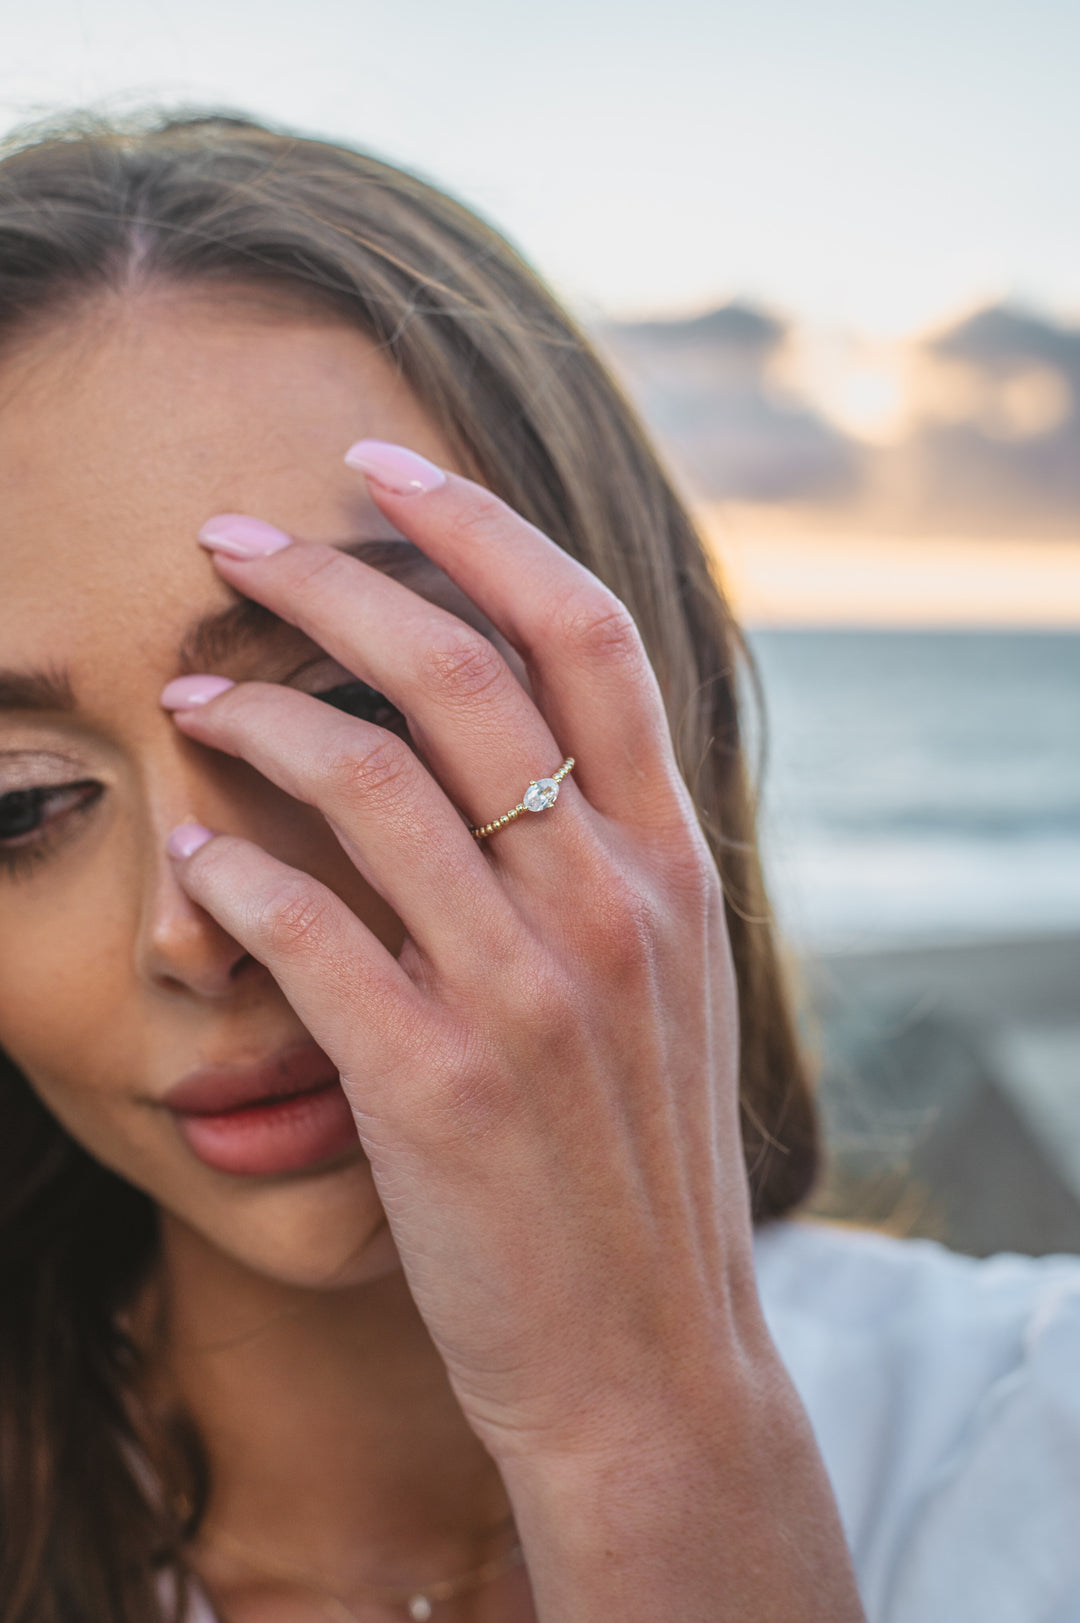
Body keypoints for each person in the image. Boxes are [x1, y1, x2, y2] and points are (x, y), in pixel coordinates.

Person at [0, 111, 1076, 1623]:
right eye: (19, 805)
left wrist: (646, 1443)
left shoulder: (1037, 1447)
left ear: (643, 677)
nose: (203, 927)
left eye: (360, 700)